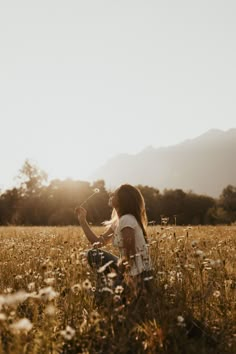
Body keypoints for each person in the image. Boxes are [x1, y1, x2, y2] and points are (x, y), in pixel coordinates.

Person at [75, 184, 152, 295]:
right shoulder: (119, 221)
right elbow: (98, 243)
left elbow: (130, 254)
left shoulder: (127, 220)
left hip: (139, 275)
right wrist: (82, 220)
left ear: (122, 200)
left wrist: (123, 278)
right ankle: (106, 287)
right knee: (93, 253)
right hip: (129, 268)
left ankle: (111, 289)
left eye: (115, 194)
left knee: (102, 295)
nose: (111, 195)